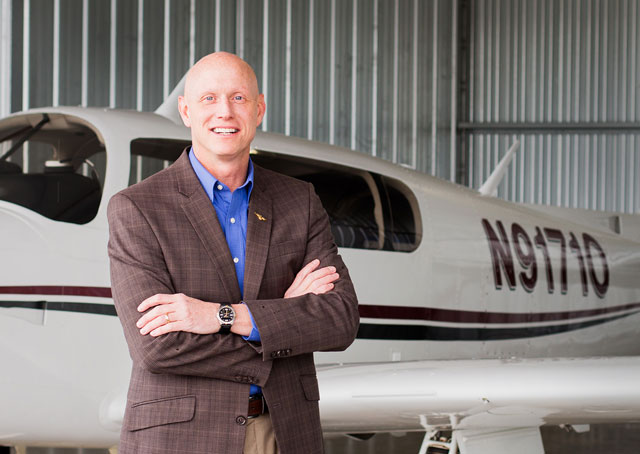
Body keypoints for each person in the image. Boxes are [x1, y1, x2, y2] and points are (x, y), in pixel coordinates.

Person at [107, 52, 359, 454]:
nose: (224, 111)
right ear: (186, 111)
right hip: (181, 439)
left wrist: (221, 316)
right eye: (209, 99)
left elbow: (340, 319)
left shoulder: (301, 201)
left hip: (284, 432)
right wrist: (280, 318)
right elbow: (156, 347)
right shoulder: (137, 207)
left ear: (259, 109)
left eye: (239, 98)